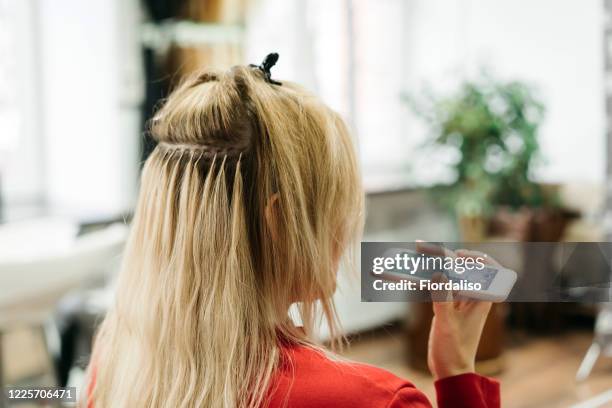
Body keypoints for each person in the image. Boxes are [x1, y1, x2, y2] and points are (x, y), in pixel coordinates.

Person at [84, 54, 500, 407]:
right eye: (334, 208)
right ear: (279, 223)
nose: (343, 232)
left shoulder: (116, 358)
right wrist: (458, 372)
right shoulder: (375, 400)